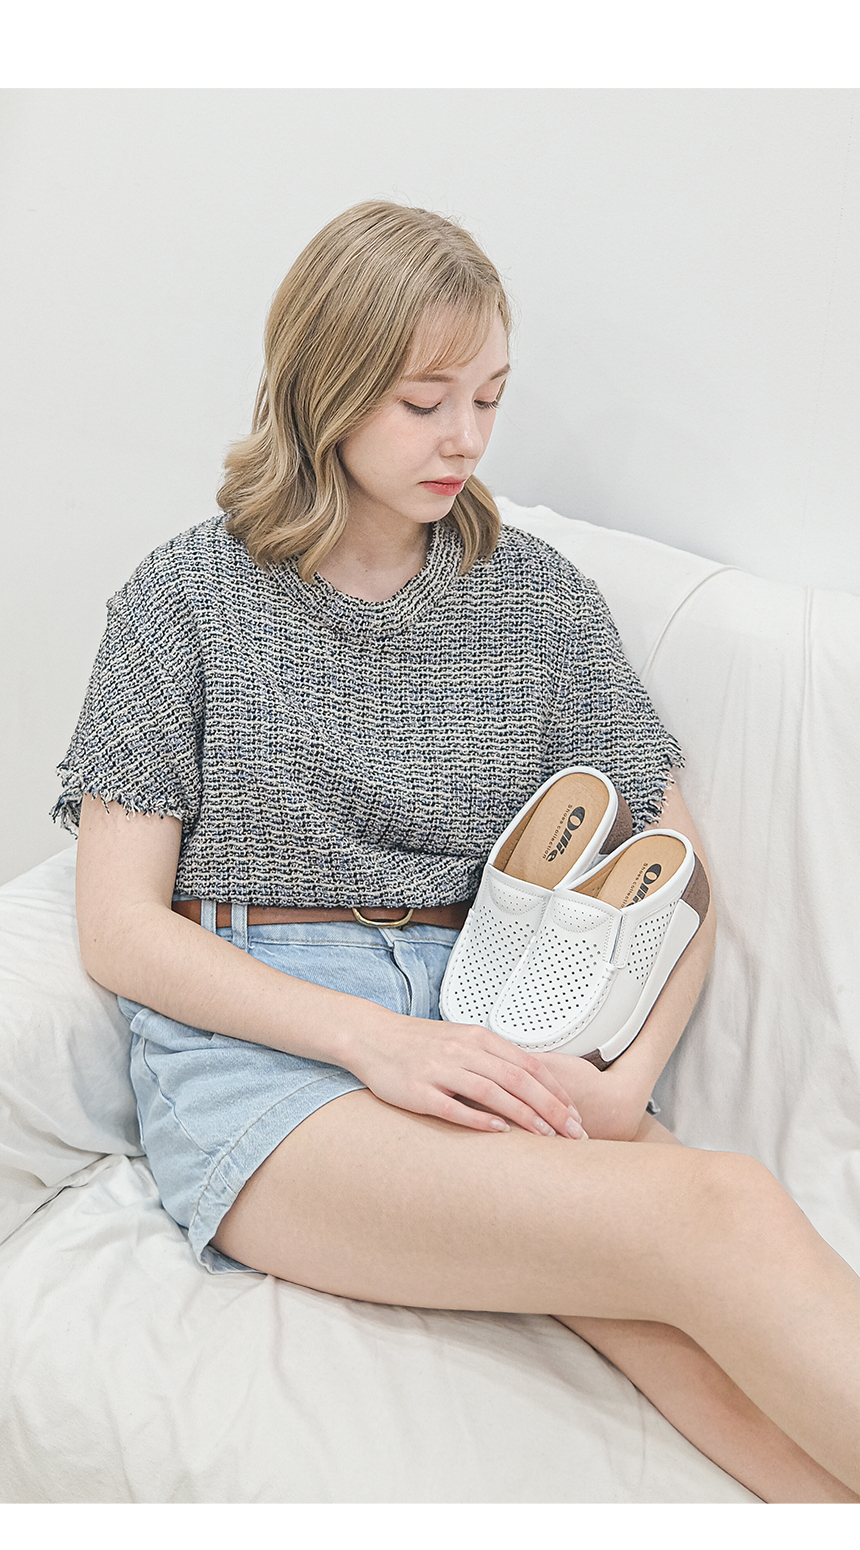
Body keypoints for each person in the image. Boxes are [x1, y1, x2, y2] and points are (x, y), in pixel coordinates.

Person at [56, 201, 860, 1503]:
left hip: (497, 1029)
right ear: (327, 386)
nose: (468, 439)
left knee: (694, 1331)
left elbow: (679, 871)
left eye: (489, 397)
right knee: (723, 1212)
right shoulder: (186, 599)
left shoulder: (537, 596)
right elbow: (120, 926)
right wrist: (377, 1040)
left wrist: (624, 1082)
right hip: (272, 1071)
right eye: (427, 401)